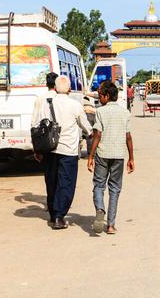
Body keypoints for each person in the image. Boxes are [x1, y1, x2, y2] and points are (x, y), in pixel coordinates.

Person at [32, 75, 92, 230]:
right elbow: (85, 126)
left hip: (49, 149)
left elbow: (38, 126)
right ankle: (59, 216)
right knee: (66, 184)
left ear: (54, 88)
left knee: (51, 182)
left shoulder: (46, 104)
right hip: (68, 151)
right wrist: (91, 133)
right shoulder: (75, 105)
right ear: (70, 89)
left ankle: (53, 214)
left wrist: (37, 149)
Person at [87, 81, 135, 235]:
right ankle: (111, 225)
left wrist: (90, 156)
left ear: (107, 96)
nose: (99, 98)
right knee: (114, 189)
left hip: (102, 154)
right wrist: (131, 158)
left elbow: (97, 135)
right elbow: (128, 137)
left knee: (99, 186)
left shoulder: (100, 112)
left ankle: (100, 209)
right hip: (119, 156)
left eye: (100, 95)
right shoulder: (125, 113)